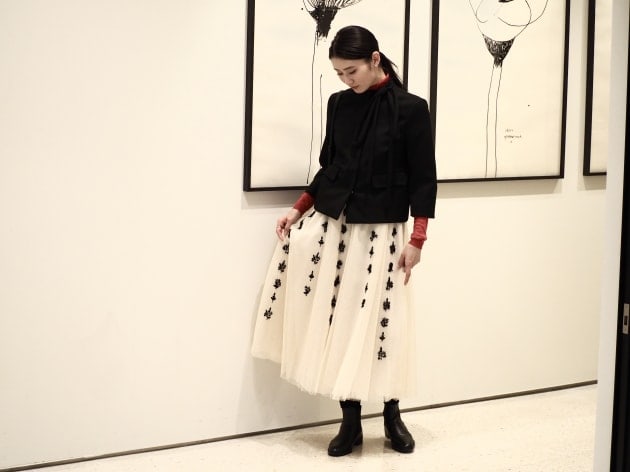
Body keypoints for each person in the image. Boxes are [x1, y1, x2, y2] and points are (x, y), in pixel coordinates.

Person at [251, 25, 437, 457]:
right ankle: (349, 421)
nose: (346, 80)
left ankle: (391, 415)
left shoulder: (411, 109)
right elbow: (331, 167)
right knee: (339, 318)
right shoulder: (339, 104)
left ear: (375, 59)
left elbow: (424, 178)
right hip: (336, 226)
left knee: (383, 320)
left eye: (351, 71)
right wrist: (298, 208)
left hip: (383, 230)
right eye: (338, 73)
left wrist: (418, 239)